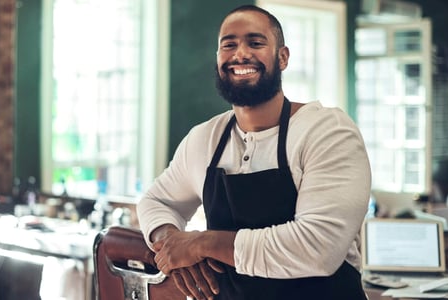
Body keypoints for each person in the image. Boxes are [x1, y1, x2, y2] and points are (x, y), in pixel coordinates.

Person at [136, 4, 371, 300]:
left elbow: (316, 249)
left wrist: (200, 244)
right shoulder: (205, 138)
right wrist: (170, 242)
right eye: (229, 45)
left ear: (282, 57)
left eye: (256, 42)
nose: (241, 54)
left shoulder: (327, 132)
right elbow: (156, 201)